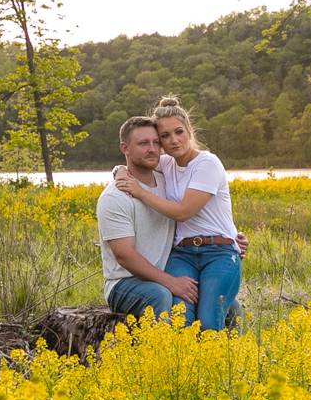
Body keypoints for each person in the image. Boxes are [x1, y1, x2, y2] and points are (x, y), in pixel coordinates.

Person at [113, 95, 241, 331]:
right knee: (181, 320)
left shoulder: (208, 164)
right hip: (183, 254)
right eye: (165, 136)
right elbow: (135, 162)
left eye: (179, 132)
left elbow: (183, 212)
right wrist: (119, 170)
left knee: (208, 323)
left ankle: (216, 366)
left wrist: (140, 193)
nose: (173, 140)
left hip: (219, 252)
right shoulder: (166, 163)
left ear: (189, 130)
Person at [97, 115, 199, 321]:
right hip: (124, 283)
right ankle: (158, 352)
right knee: (159, 295)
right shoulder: (115, 197)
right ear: (125, 148)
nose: (152, 149)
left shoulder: (168, 181)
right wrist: (171, 282)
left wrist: (231, 237)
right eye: (143, 143)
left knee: (226, 302)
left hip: (167, 273)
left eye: (156, 142)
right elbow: (125, 256)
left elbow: (193, 211)